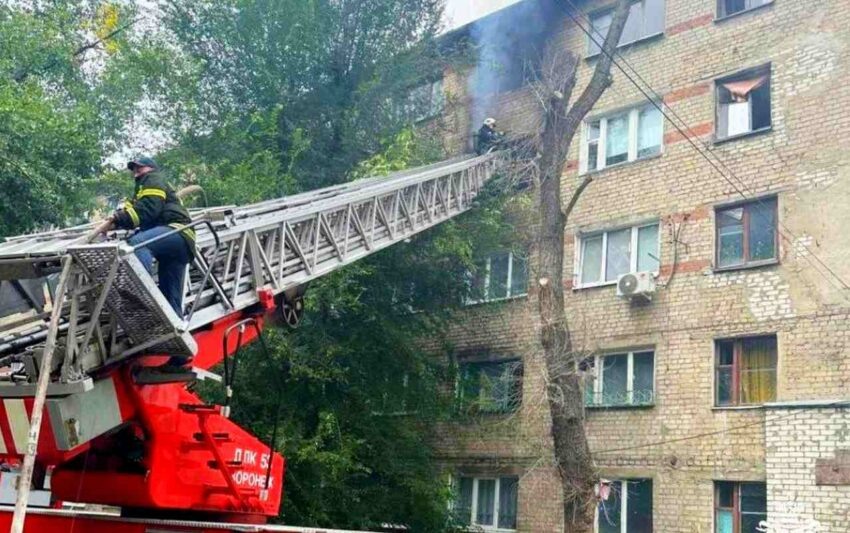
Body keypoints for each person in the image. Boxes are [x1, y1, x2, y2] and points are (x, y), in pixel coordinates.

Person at [104, 157, 196, 378]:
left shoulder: (154, 180)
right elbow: (136, 210)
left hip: (176, 232)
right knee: (170, 300)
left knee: (137, 245)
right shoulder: (142, 188)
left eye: (140, 167)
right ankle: (180, 357)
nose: (136, 172)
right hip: (178, 244)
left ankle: (138, 289)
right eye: (133, 169)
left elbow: (147, 212)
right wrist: (119, 216)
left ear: (151, 168)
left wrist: (122, 218)